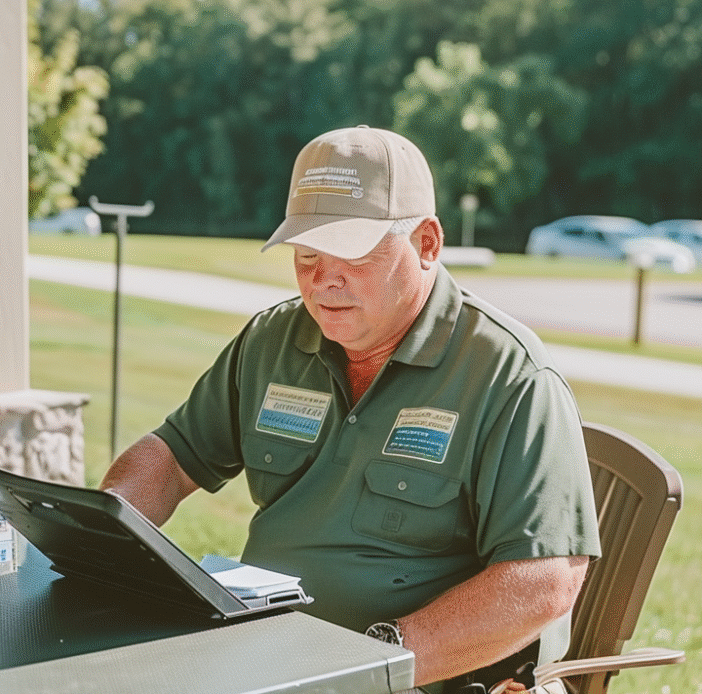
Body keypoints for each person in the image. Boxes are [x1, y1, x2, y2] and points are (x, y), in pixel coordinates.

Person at [100, 125, 601, 694]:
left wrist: (371, 660)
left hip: (413, 675)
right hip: (265, 658)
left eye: (351, 253)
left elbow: (544, 583)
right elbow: (171, 457)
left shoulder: (506, 376)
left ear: (426, 244)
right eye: (307, 254)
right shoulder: (273, 340)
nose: (323, 279)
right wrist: (104, 538)